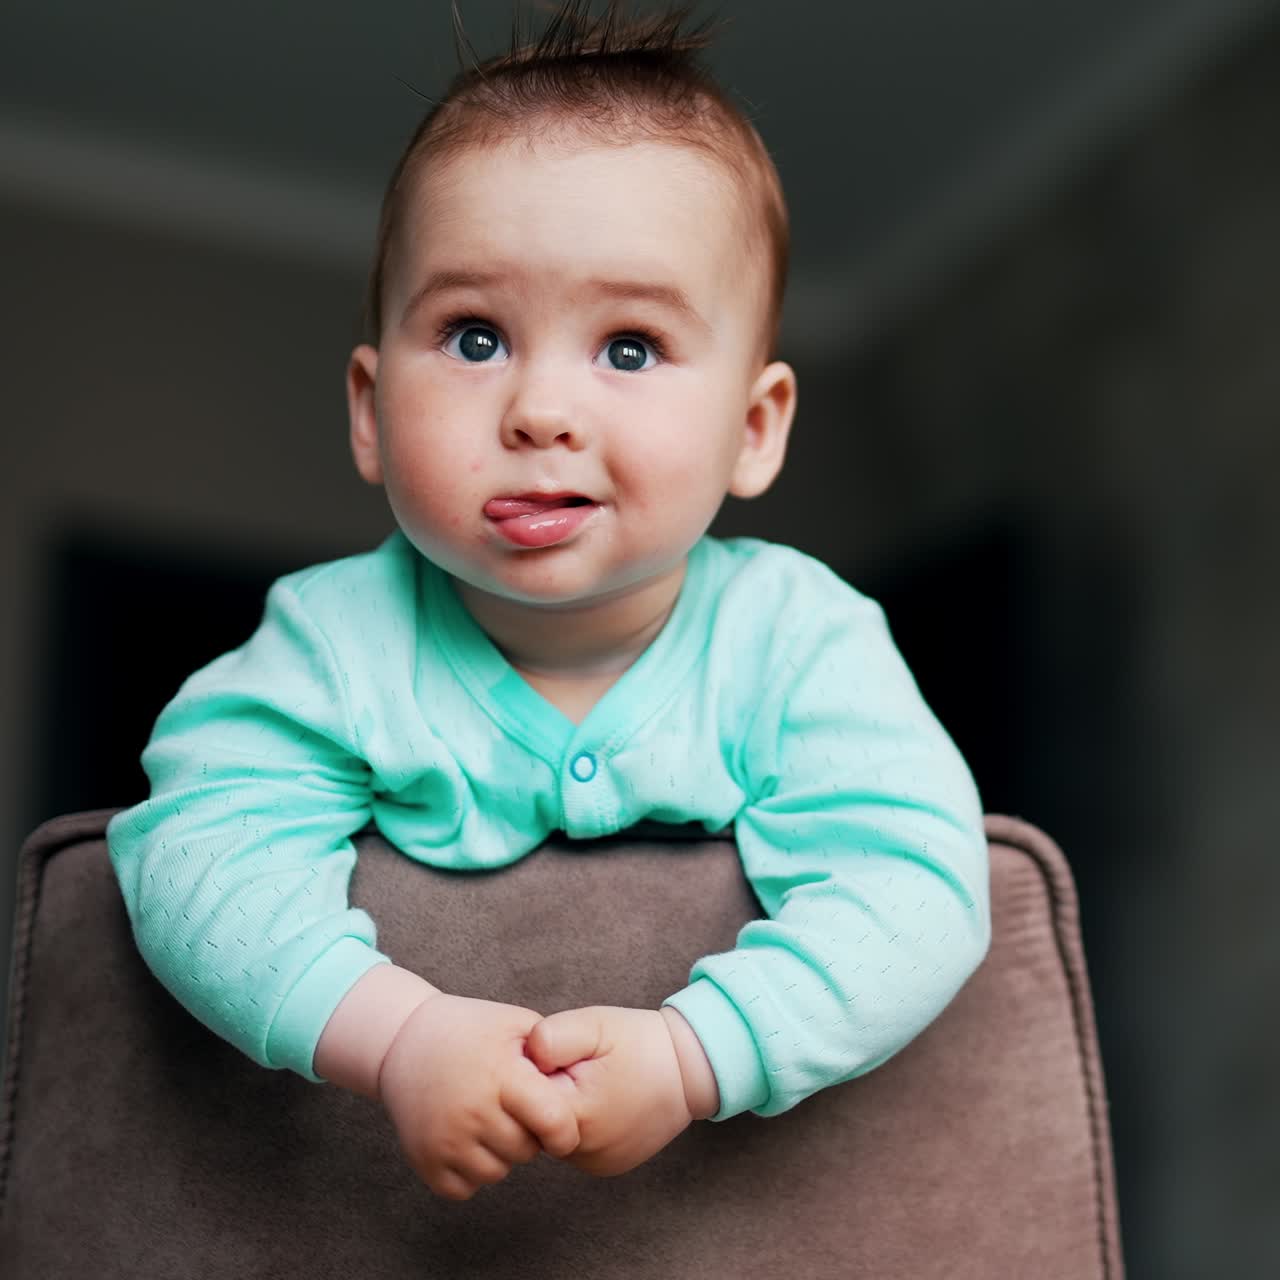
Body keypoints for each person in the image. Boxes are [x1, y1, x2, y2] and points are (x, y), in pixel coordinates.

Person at [106, 0, 991, 1204]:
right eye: (474, 336)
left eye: (627, 347)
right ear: (370, 410)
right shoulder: (331, 643)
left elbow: (916, 882)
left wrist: (693, 1052)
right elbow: (196, 854)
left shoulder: (796, 638)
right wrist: (399, 1033)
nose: (538, 412)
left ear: (752, 427)